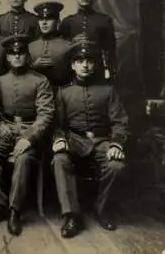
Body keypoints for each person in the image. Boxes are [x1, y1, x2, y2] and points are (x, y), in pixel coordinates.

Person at [51, 40, 129, 238]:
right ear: (72, 65)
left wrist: (116, 143)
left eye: (89, 61)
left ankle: (102, 209)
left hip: (102, 141)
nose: (85, 65)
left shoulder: (108, 91)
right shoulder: (63, 92)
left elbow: (120, 122)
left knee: (116, 166)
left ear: (95, 64)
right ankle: (71, 215)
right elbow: (58, 125)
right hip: (75, 140)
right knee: (60, 160)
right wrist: (59, 139)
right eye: (79, 61)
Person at [0, 34, 54, 236]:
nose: (17, 57)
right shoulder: (1, 80)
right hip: (7, 128)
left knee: (23, 158)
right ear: (7, 57)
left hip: (30, 130)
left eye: (21, 53)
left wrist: (29, 137)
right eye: (13, 54)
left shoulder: (40, 80)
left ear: (27, 55)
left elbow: (46, 115)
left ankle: (15, 210)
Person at [60, 0, 116, 80]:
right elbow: (61, 51)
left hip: (97, 70)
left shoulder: (104, 20)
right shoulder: (68, 22)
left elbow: (110, 50)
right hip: (73, 73)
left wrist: (110, 72)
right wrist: (71, 44)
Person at [29, 1, 71, 87]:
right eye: (41, 19)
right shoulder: (31, 46)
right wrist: (33, 67)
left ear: (58, 22)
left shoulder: (68, 46)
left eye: (49, 19)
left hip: (60, 93)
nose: (44, 23)